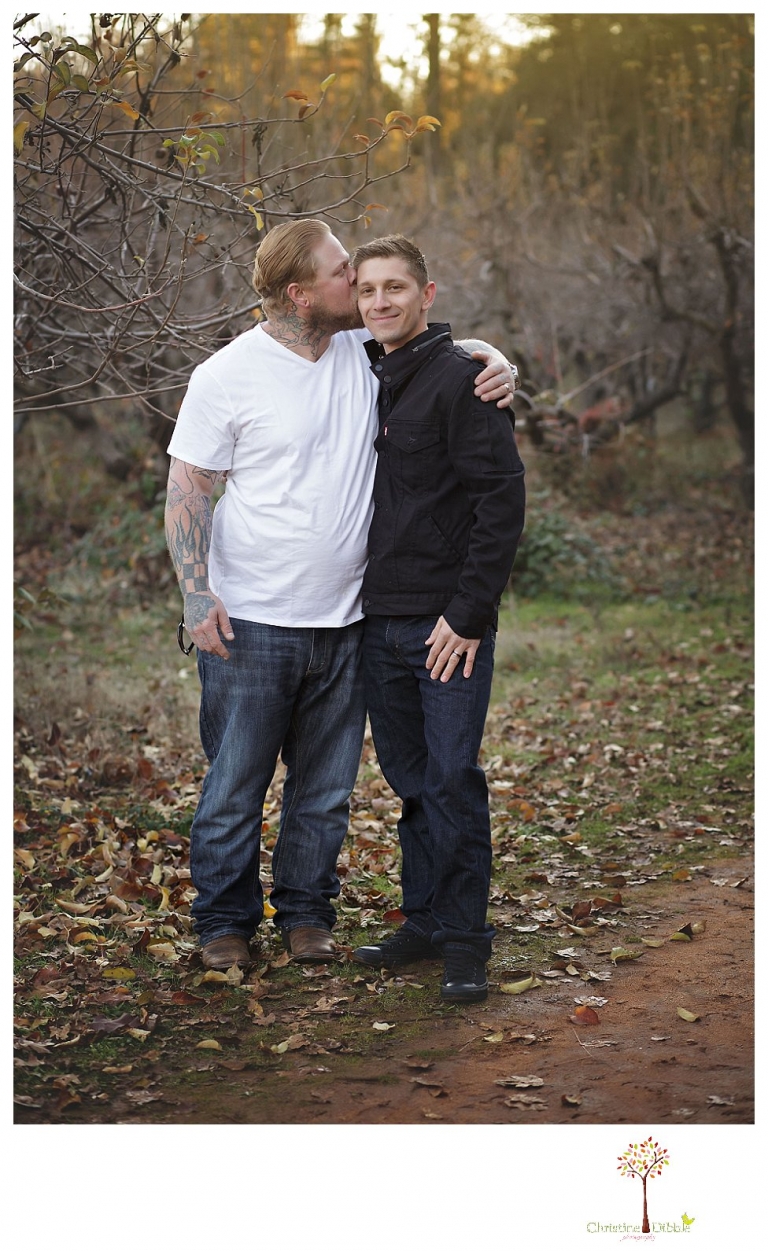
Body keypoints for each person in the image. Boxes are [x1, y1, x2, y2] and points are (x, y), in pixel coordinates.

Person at [164, 219, 519, 972]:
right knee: (234, 783)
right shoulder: (225, 375)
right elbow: (188, 490)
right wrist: (197, 599)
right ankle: (224, 922)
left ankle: (306, 915)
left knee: (324, 793)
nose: (356, 284)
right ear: (300, 293)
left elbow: (444, 354)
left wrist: (497, 359)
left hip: (350, 619)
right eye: (341, 274)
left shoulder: (364, 354)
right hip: (250, 620)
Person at [349, 235, 525, 1003]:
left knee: (452, 779)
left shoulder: (463, 381)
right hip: (375, 620)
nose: (380, 301)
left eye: (395, 287)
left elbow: (501, 502)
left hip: (445, 627)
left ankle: (464, 940)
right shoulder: (365, 373)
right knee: (412, 780)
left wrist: (468, 615)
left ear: (428, 293)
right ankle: (422, 920)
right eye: (367, 290)